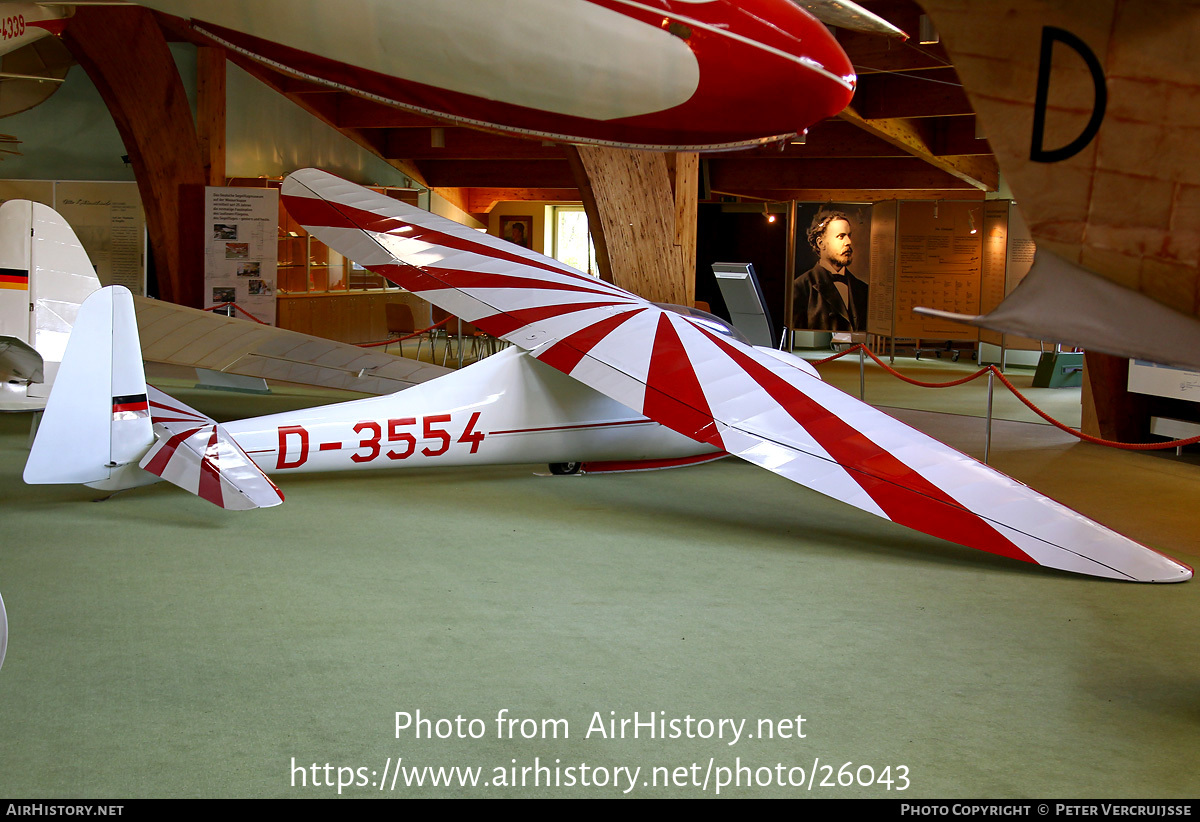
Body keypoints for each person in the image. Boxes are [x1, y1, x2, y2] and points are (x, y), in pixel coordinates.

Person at [792, 209, 869, 331]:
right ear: (821, 243)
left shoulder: (863, 289)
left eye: (849, 236)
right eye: (841, 236)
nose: (848, 242)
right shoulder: (800, 287)